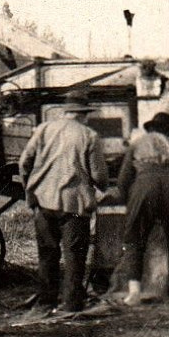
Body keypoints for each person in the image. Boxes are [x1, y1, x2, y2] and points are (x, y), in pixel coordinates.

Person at [17, 89, 109, 321]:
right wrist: (100, 188)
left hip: (43, 201)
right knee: (74, 255)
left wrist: (31, 186)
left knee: (47, 253)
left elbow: (24, 162)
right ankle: (70, 303)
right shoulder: (89, 136)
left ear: (67, 111)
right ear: (83, 114)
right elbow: (99, 175)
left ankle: (45, 302)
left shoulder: (44, 129)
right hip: (73, 203)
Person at [111, 111, 169, 306]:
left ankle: (134, 293)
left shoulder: (137, 144)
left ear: (151, 128)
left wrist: (129, 201)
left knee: (135, 240)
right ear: (168, 131)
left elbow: (123, 179)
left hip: (145, 186)